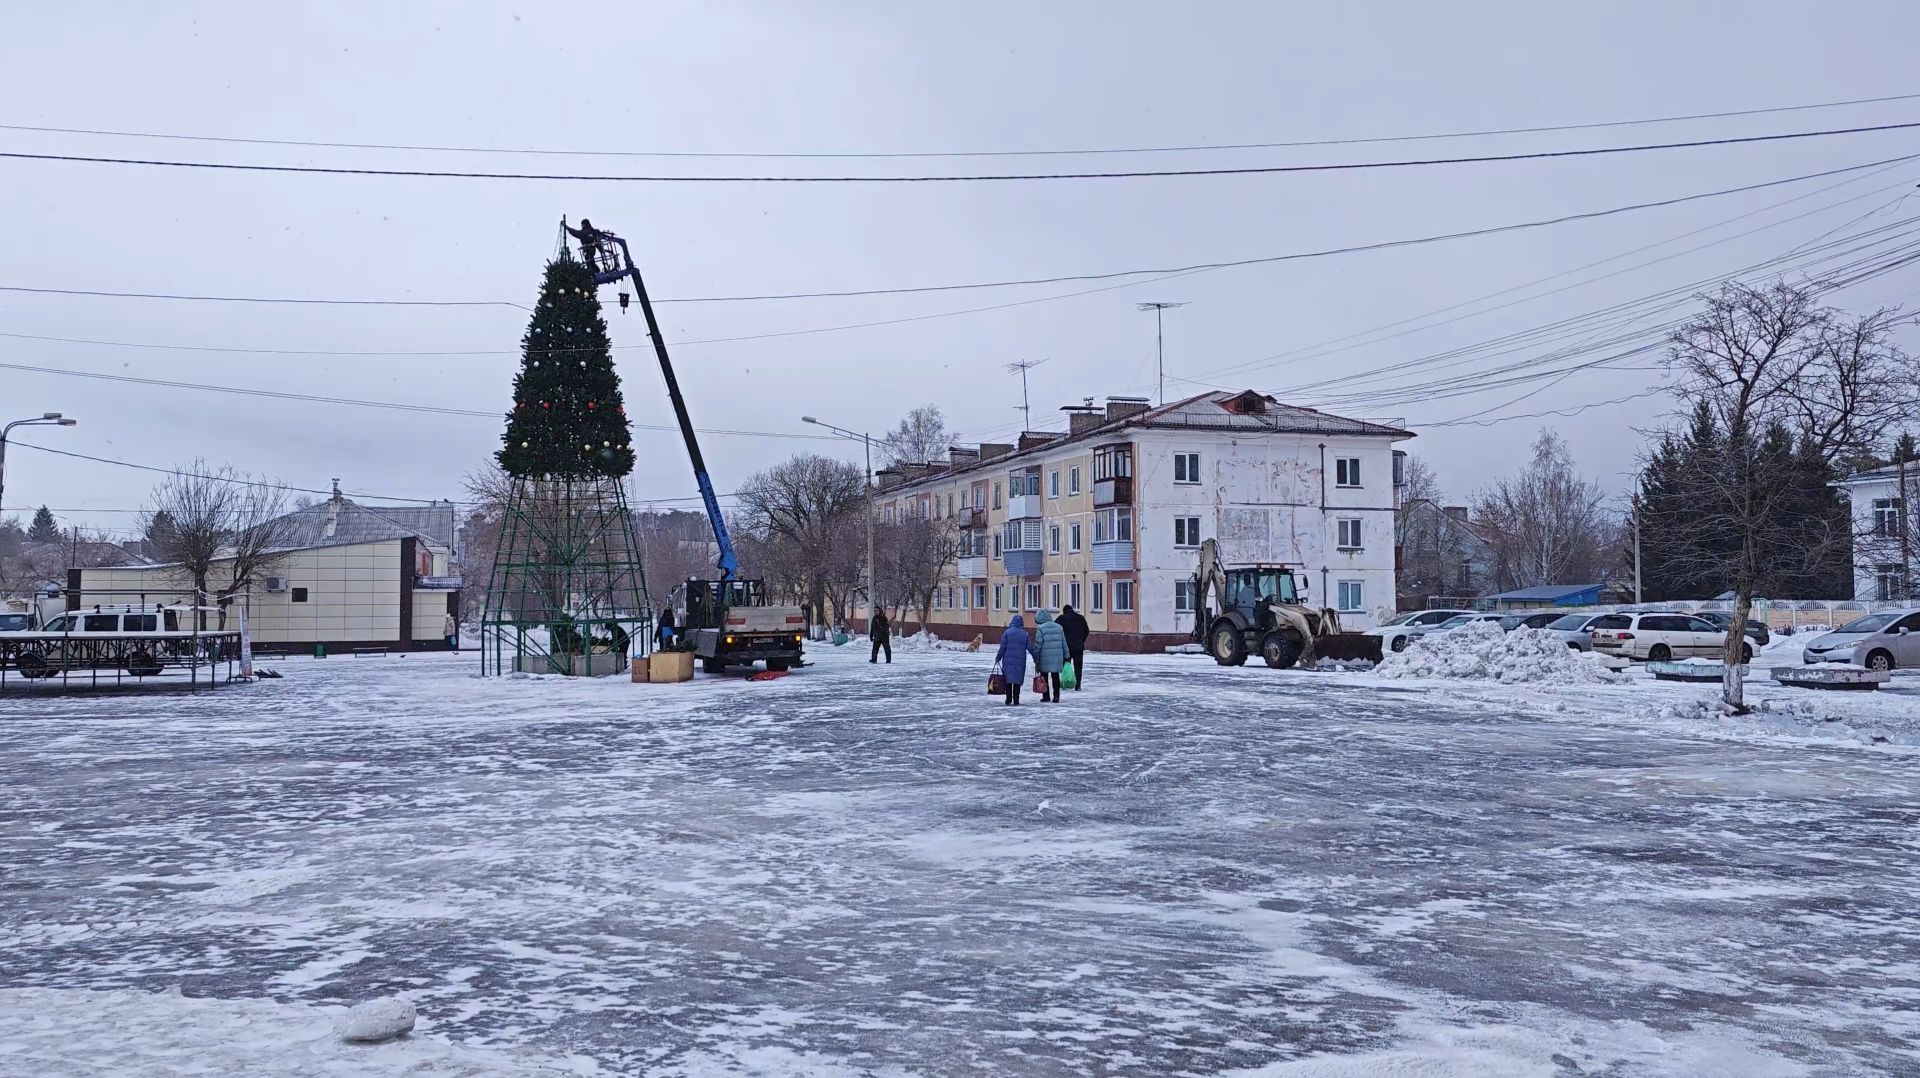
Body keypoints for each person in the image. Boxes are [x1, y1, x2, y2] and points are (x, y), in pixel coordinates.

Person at [994, 614, 1036, 706]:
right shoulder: (1025, 634)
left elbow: (1002, 647)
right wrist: (1035, 657)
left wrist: (998, 657)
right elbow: (1030, 648)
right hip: (1020, 661)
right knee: (1017, 680)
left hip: (1008, 662)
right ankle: (1016, 699)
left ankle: (1008, 699)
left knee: (1008, 680)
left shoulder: (1007, 633)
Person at [1033, 610, 1068, 702]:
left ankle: (1046, 696)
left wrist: (1035, 656)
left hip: (1044, 657)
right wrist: (1067, 655)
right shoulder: (1059, 627)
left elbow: (1038, 644)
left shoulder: (1040, 628)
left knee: (1044, 676)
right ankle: (1056, 696)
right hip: (1057, 657)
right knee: (1055, 677)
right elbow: (1064, 643)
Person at [1056, 603, 1089, 690]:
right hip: (1078, 647)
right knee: (1078, 667)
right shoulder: (1080, 618)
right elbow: (1087, 630)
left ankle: (1066, 682)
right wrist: (1082, 640)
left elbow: (1056, 629)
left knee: (1066, 665)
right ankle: (1078, 685)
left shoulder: (1061, 619)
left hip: (1066, 647)